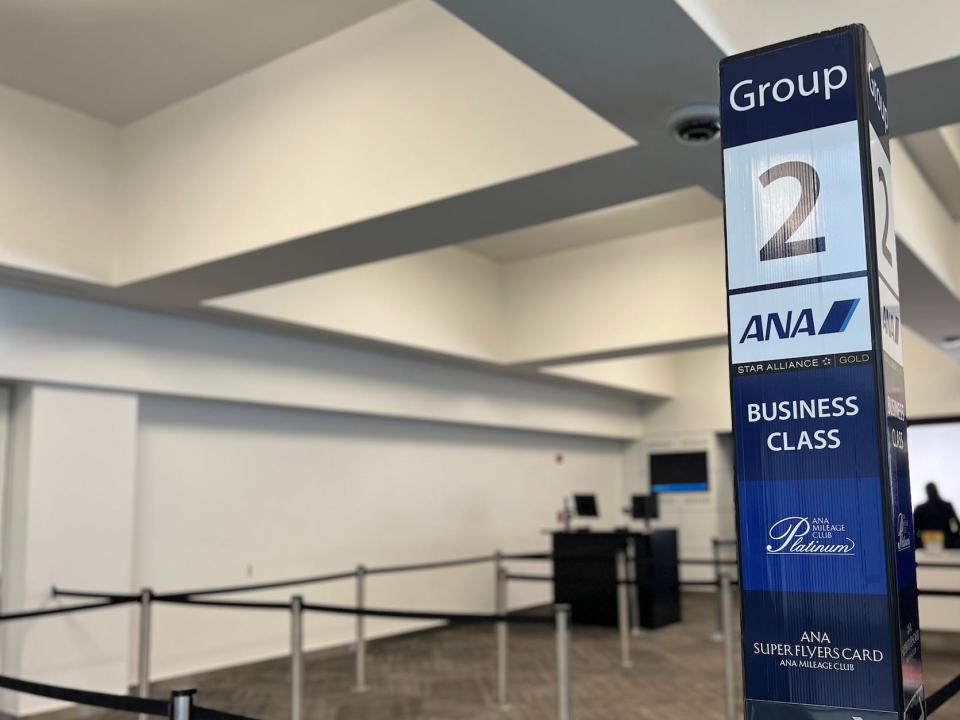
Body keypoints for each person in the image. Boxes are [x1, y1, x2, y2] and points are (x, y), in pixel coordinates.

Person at [914, 483, 960, 548]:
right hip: (946, 542)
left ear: (927, 492)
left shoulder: (920, 508)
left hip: (926, 543)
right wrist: (955, 537)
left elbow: (915, 528)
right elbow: (957, 523)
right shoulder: (947, 506)